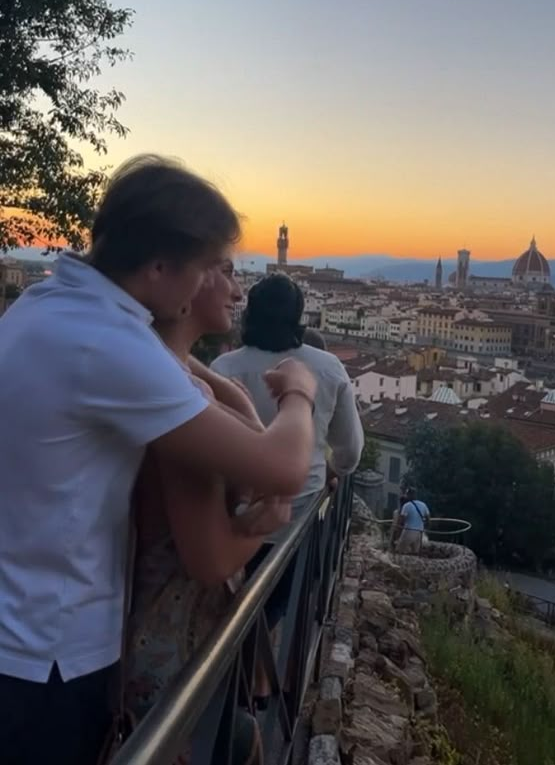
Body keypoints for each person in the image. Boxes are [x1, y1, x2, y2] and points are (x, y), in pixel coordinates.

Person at [0, 156, 317, 765]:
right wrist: (299, 388)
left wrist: (224, 389)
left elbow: (179, 371)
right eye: (204, 268)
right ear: (158, 267)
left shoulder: (52, 306)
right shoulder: (105, 341)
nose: (206, 284)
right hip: (49, 655)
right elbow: (282, 468)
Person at [126, 255, 292, 763]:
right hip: (163, 652)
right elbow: (213, 560)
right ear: (175, 276)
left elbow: (243, 413)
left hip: (175, 640)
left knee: (241, 739)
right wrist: (301, 398)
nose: (238, 291)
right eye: (224, 269)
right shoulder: (176, 398)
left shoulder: (173, 379)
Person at [212, 274, 364, 518]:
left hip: (237, 515)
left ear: (249, 314)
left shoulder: (223, 369)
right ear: (298, 315)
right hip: (304, 513)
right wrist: (330, 471)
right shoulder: (329, 367)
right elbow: (351, 451)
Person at [396, 488, 431, 554]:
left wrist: (397, 535)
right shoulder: (423, 505)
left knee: (400, 550)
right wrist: (425, 530)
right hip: (419, 532)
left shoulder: (406, 506)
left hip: (409, 530)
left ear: (409, 495)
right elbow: (428, 520)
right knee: (415, 552)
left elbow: (401, 522)